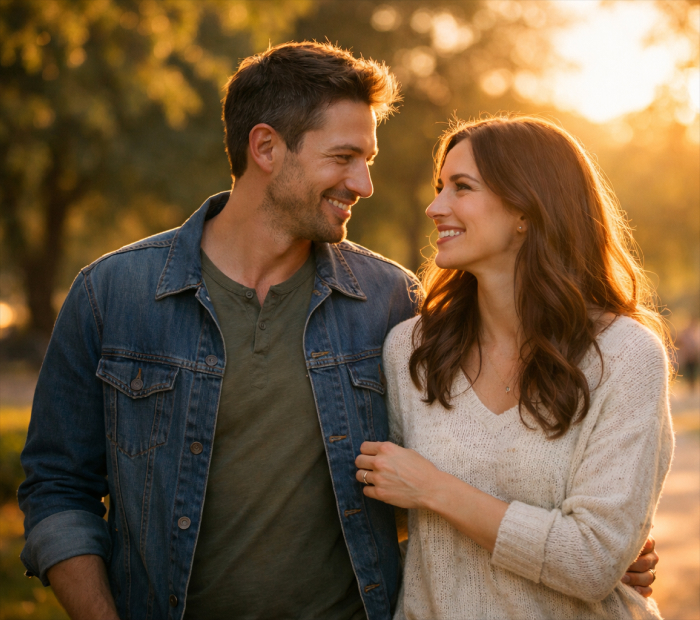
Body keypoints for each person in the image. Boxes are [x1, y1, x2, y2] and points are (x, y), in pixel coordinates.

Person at [18, 42, 657, 620]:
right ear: (265, 149)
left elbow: (452, 468)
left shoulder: (390, 303)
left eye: (368, 159)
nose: (365, 184)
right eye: (344, 158)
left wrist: (598, 547)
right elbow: (57, 488)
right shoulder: (113, 295)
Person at [355, 116, 673, 619]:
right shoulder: (410, 351)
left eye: (462, 188)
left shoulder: (625, 357)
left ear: (526, 209)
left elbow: (591, 561)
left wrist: (437, 489)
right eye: (440, 188)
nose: (435, 207)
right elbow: (374, 518)